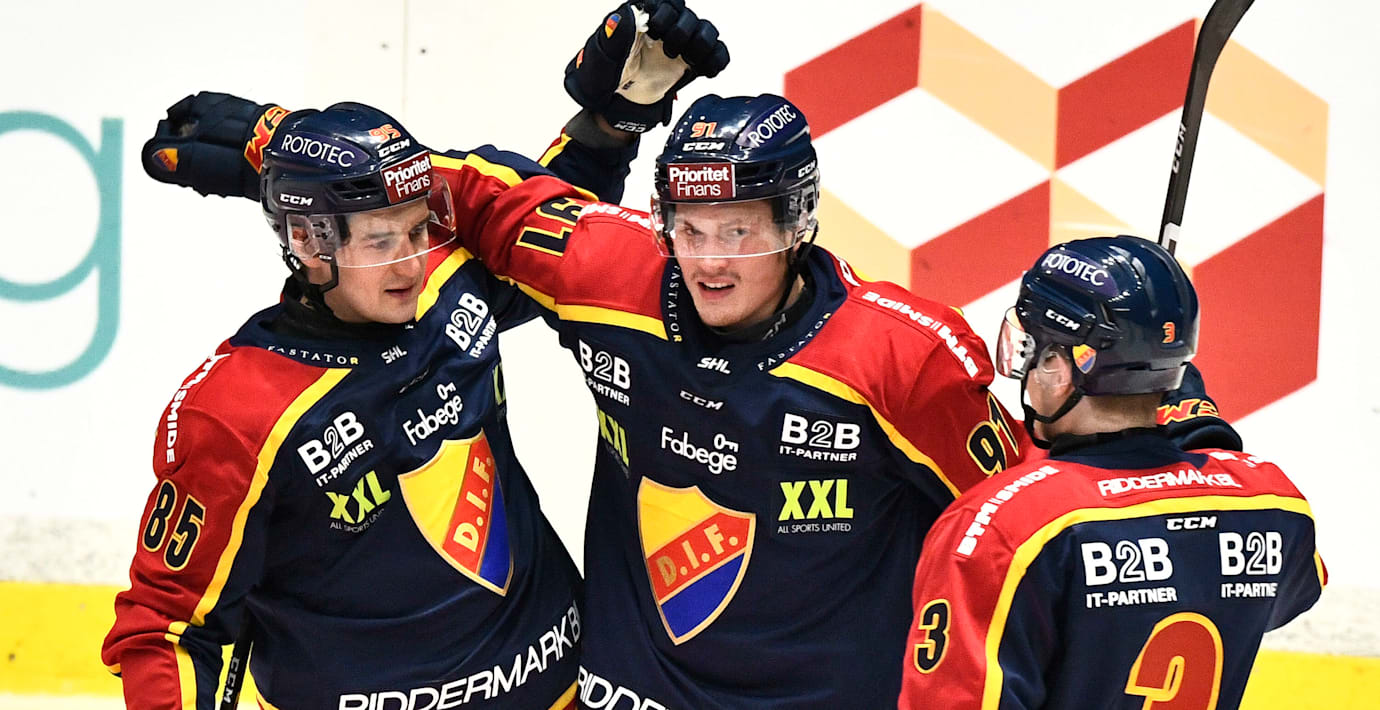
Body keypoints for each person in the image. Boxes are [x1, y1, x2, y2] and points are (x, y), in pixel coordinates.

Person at [100, 4, 727, 709]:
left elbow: (557, 230)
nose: (409, 263)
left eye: (417, 229)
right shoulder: (237, 413)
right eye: (379, 241)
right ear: (308, 241)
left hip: (564, 688)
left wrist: (612, 124)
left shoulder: (446, 281)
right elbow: (168, 628)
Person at [896, 236, 1325, 709]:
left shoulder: (1002, 528)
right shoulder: (1271, 501)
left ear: (1058, 368)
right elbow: (1279, 593)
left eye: (1030, 347)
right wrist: (1195, 442)